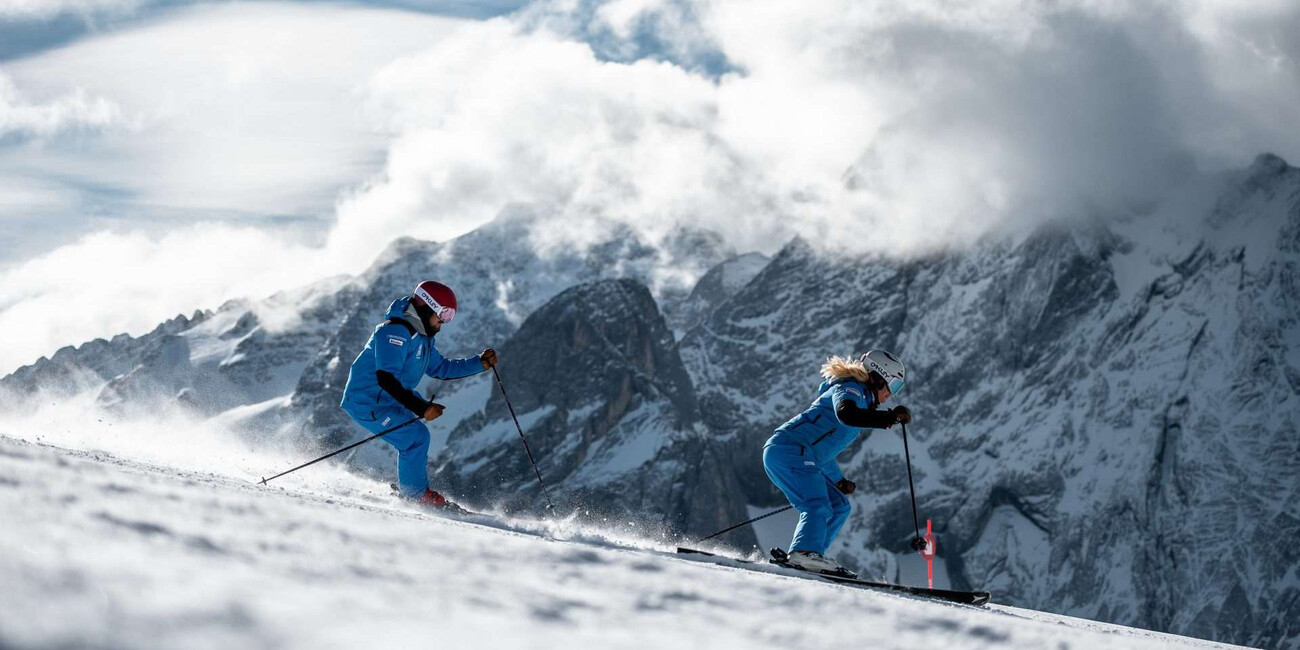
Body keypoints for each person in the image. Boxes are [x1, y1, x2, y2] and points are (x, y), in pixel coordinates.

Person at [340, 280, 497, 510]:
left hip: (388, 400)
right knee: (415, 436)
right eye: (443, 314)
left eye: (449, 316)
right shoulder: (394, 332)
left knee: (417, 437)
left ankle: (414, 491)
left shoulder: (423, 339)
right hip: (367, 402)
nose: (444, 322)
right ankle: (415, 496)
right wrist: (421, 407)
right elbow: (386, 378)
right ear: (425, 307)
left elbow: (441, 368)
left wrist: (479, 364)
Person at [762, 350, 913, 576]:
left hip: (800, 453)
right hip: (789, 449)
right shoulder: (849, 389)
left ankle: (813, 556)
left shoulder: (860, 398)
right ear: (878, 377)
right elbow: (847, 414)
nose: (892, 394)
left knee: (839, 506)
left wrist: (839, 481)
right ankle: (804, 553)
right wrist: (889, 418)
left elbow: (823, 452)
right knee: (817, 504)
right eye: (893, 385)